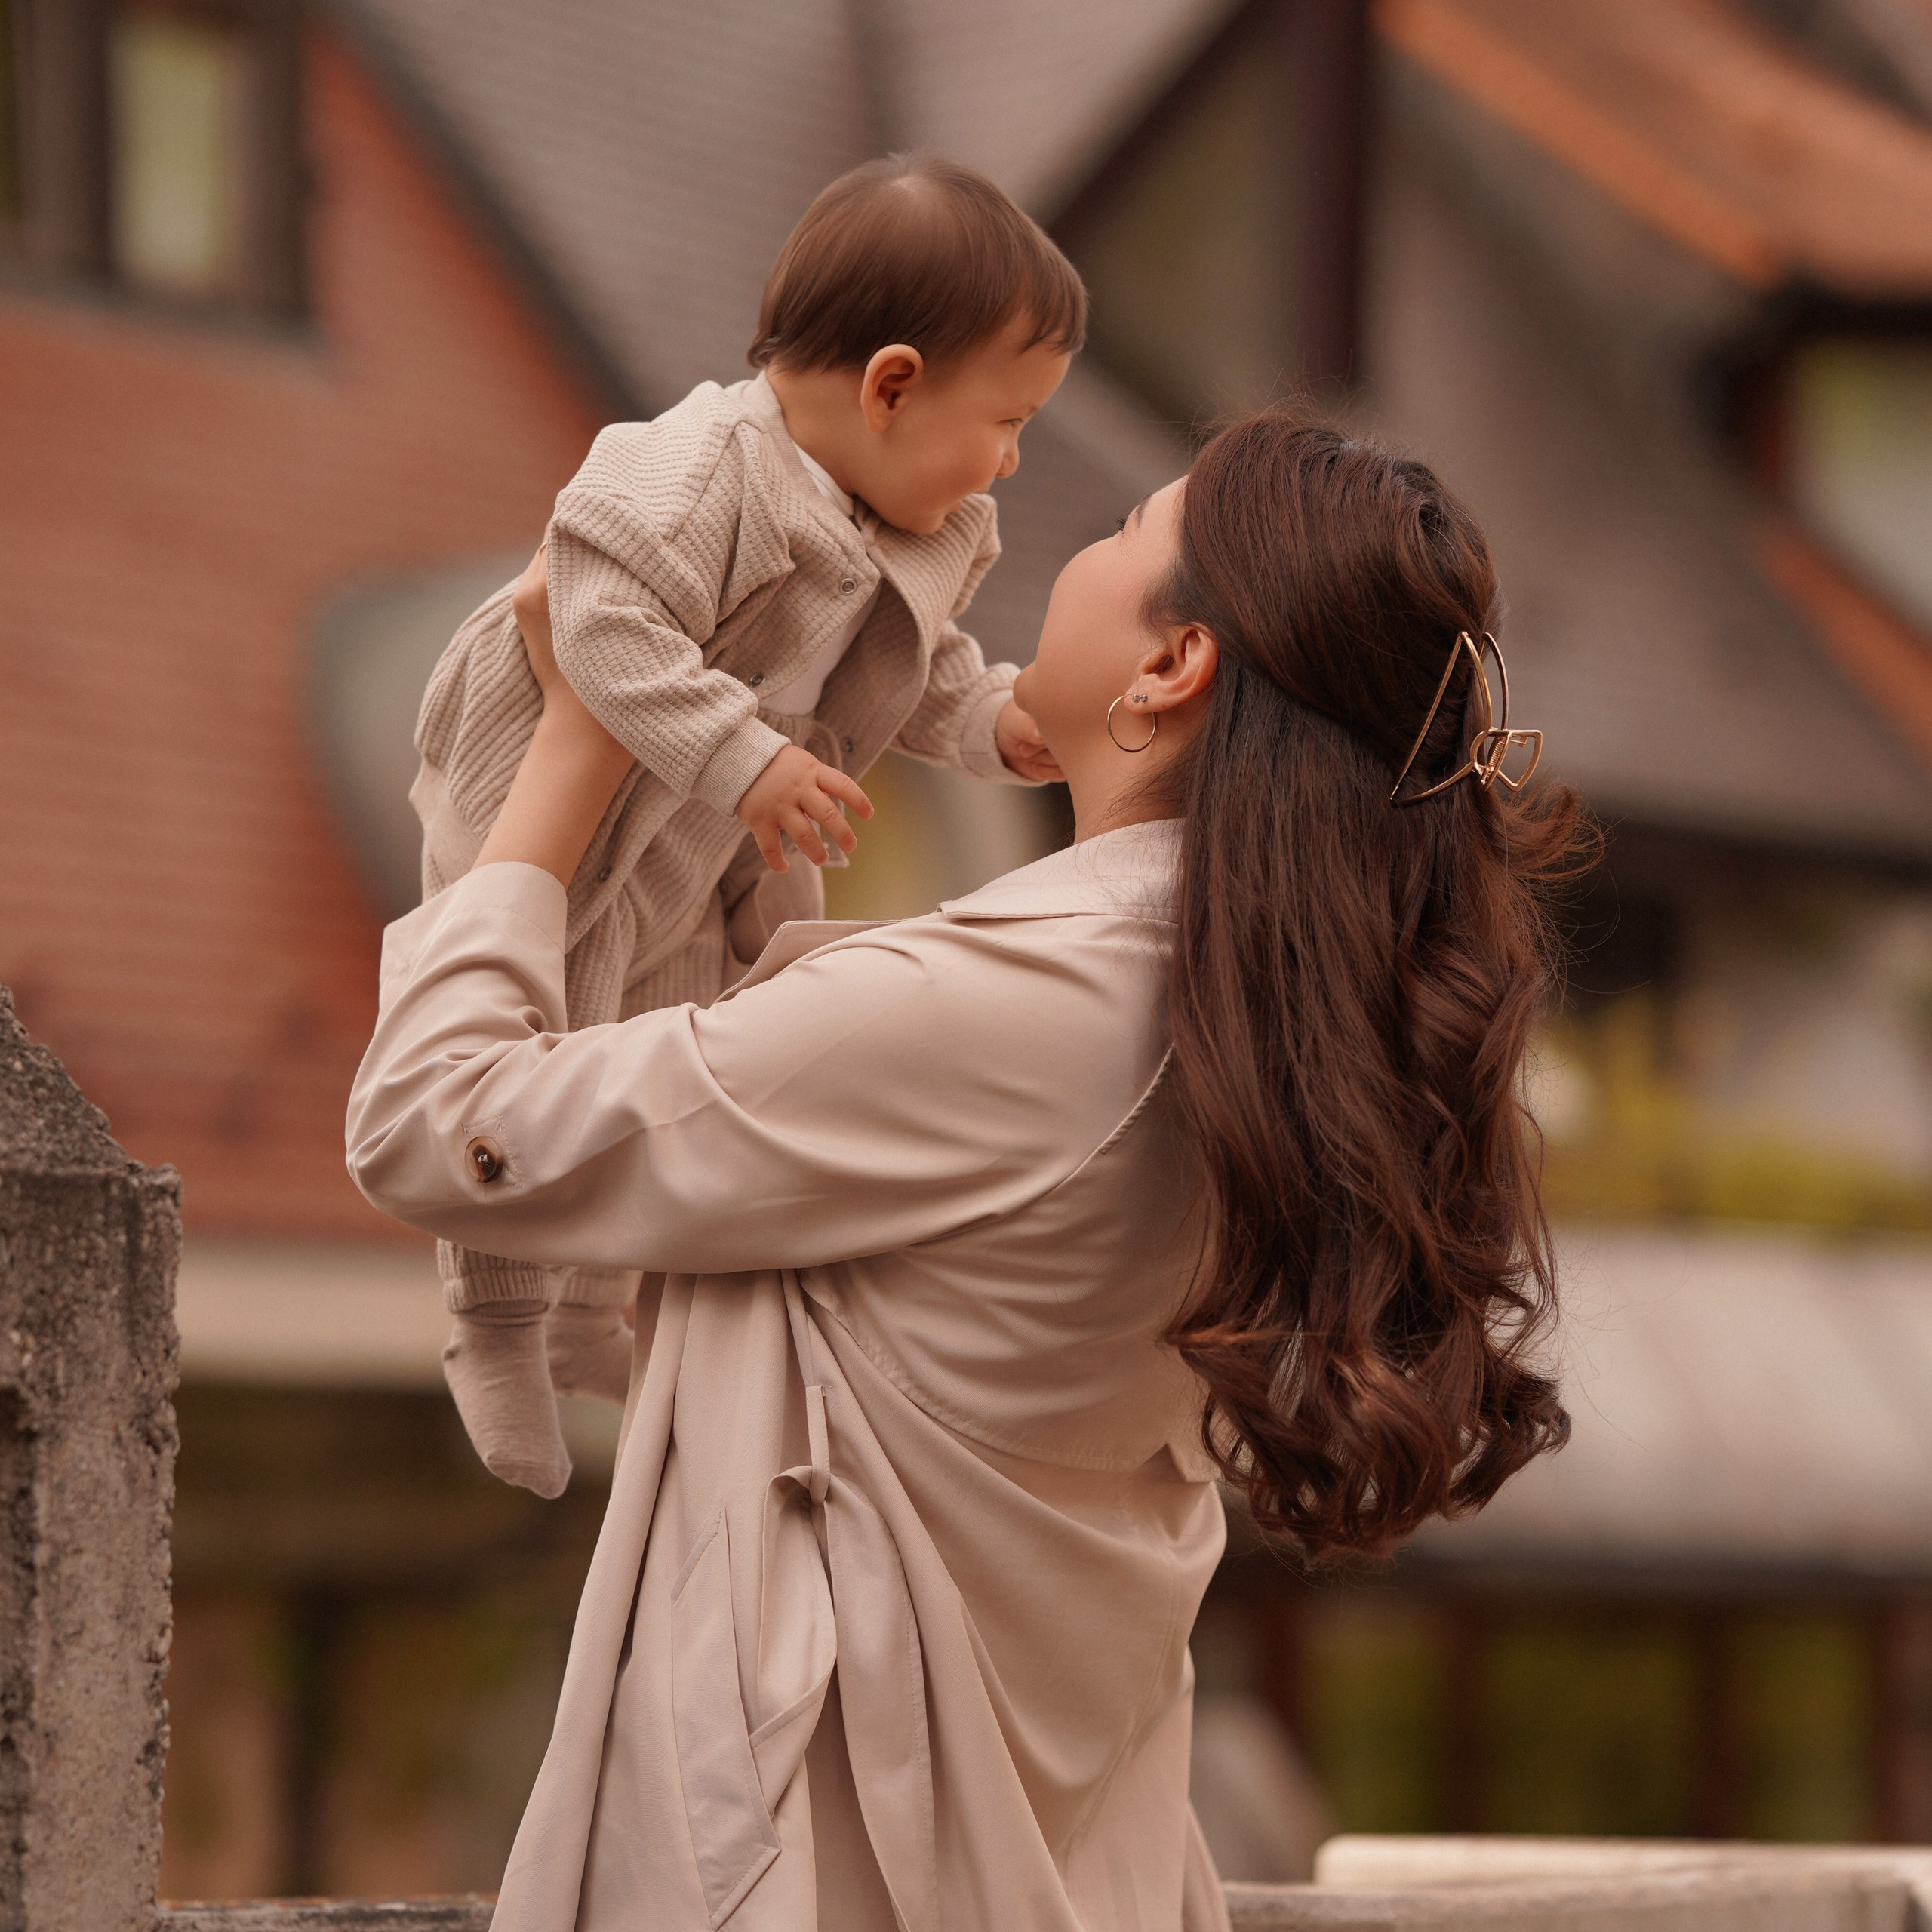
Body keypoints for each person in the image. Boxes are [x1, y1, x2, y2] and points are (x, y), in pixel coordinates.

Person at [346, 410, 1584, 1931]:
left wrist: (580, 733)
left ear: (1168, 665)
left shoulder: (1026, 1000)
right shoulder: (1246, 1024)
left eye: (1125, 527)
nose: (1062, 547)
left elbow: (434, 1117)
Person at [414, 154, 1079, 1498]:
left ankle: (591, 1314)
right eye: (1008, 420)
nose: (1013, 458)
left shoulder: (911, 517)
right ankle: (490, 1325)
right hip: (554, 810)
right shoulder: (699, 464)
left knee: (660, 1044)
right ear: (890, 385)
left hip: (693, 836)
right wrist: (744, 756)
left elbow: (917, 662)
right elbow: (599, 619)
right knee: (537, 1042)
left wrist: (997, 723)